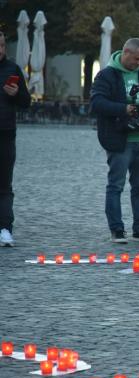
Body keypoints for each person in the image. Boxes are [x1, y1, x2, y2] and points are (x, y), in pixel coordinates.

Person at [90, 38, 139, 243]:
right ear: (126, 52)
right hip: (119, 139)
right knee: (116, 185)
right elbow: (96, 102)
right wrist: (123, 108)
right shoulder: (107, 75)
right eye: (137, 59)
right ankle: (117, 229)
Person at [0, 31, 31, 247]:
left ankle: (5, 229)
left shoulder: (12, 69)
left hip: (5, 134)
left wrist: (17, 94)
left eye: (2, 45)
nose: (0, 50)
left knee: (4, 185)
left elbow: (26, 102)